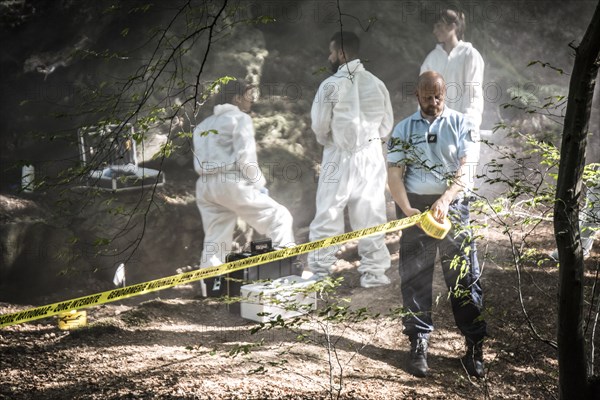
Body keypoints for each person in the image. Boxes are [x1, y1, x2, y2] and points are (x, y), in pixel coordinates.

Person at [387, 71, 487, 378]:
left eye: (439, 96)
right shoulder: (403, 128)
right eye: (428, 96)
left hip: (452, 207)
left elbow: (467, 169)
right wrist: (406, 208)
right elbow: (393, 173)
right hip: (414, 206)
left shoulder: (461, 123)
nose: (433, 102)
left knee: (463, 276)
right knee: (415, 277)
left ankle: (474, 346)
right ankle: (418, 344)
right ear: (417, 95)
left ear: (445, 94)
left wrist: (445, 199)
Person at [306, 31, 393, 288]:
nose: (329, 57)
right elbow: (386, 126)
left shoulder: (330, 85)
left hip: (339, 154)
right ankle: (374, 274)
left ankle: (320, 273)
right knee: (371, 213)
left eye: (332, 52)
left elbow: (320, 126)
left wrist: (331, 142)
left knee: (328, 212)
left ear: (342, 54)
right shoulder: (377, 84)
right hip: (370, 155)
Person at [192, 79, 295, 274]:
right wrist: (259, 184)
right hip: (230, 183)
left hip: (205, 186)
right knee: (279, 218)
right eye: (250, 96)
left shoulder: (202, 126)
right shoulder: (239, 119)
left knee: (215, 239)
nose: (252, 101)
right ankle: (285, 273)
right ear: (237, 98)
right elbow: (246, 159)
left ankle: (211, 287)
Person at [421, 8, 485, 130]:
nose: (435, 31)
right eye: (434, 27)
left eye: (439, 26)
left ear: (453, 26)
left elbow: (473, 92)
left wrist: (468, 122)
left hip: (462, 126)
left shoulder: (470, 55)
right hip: (435, 127)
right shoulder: (432, 58)